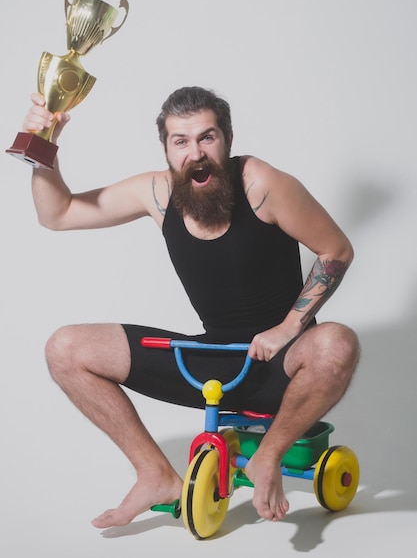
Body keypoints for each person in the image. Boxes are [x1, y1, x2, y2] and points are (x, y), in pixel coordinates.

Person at [22, 86, 359, 528]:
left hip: (283, 362)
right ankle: (154, 475)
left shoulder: (262, 184)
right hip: (215, 362)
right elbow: (58, 213)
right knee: (65, 348)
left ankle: (268, 457)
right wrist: (44, 141)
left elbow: (336, 250)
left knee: (337, 343)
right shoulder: (157, 192)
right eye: (180, 141)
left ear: (229, 139)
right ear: (165, 148)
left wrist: (289, 327)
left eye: (207, 137)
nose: (195, 153)